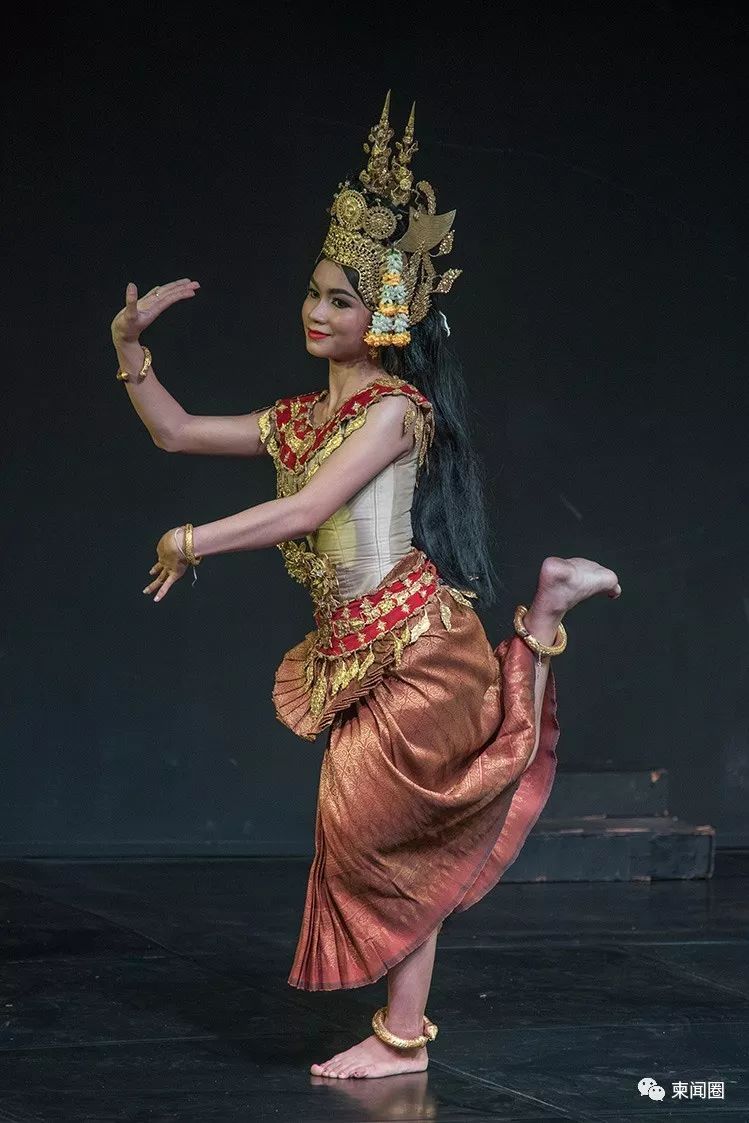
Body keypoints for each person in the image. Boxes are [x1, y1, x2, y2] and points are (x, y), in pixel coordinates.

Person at [110, 91, 622, 1080]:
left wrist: (191, 538)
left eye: (340, 300)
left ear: (383, 313)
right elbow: (175, 431)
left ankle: (401, 1037)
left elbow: (306, 510)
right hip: (359, 653)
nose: (316, 311)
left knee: (380, 833)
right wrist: (129, 349)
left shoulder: (394, 410)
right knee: (376, 836)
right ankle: (546, 606)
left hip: (418, 648)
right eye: (313, 292)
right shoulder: (299, 418)